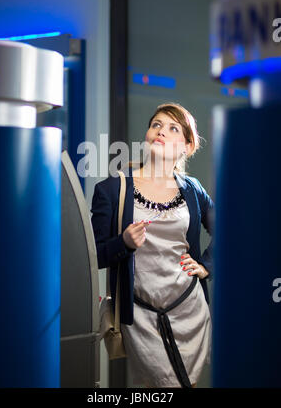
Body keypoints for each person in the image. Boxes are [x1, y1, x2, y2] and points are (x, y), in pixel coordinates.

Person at [90, 102, 214, 388]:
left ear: (186, 146)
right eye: (156, 124)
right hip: (141, 316)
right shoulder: (112, 189)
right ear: (147, 135)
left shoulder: (193, 189)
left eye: (173, 128)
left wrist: (206, 266)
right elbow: (93, 255)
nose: (161, 131)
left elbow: (228, 231)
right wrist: (124, 242)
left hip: (189, 310)